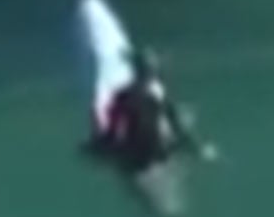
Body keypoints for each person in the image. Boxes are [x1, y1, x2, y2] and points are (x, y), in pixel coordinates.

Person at [83, 48, 217, 174]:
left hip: (136, 153)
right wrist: (196, 146)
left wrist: (103, 143)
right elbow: (175, 121)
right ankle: (197, 150)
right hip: (157, 152)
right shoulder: (158, 92)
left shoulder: (123, 94)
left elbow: (114, 123)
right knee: (180, 117)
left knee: (102, 123)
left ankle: (111, 154)